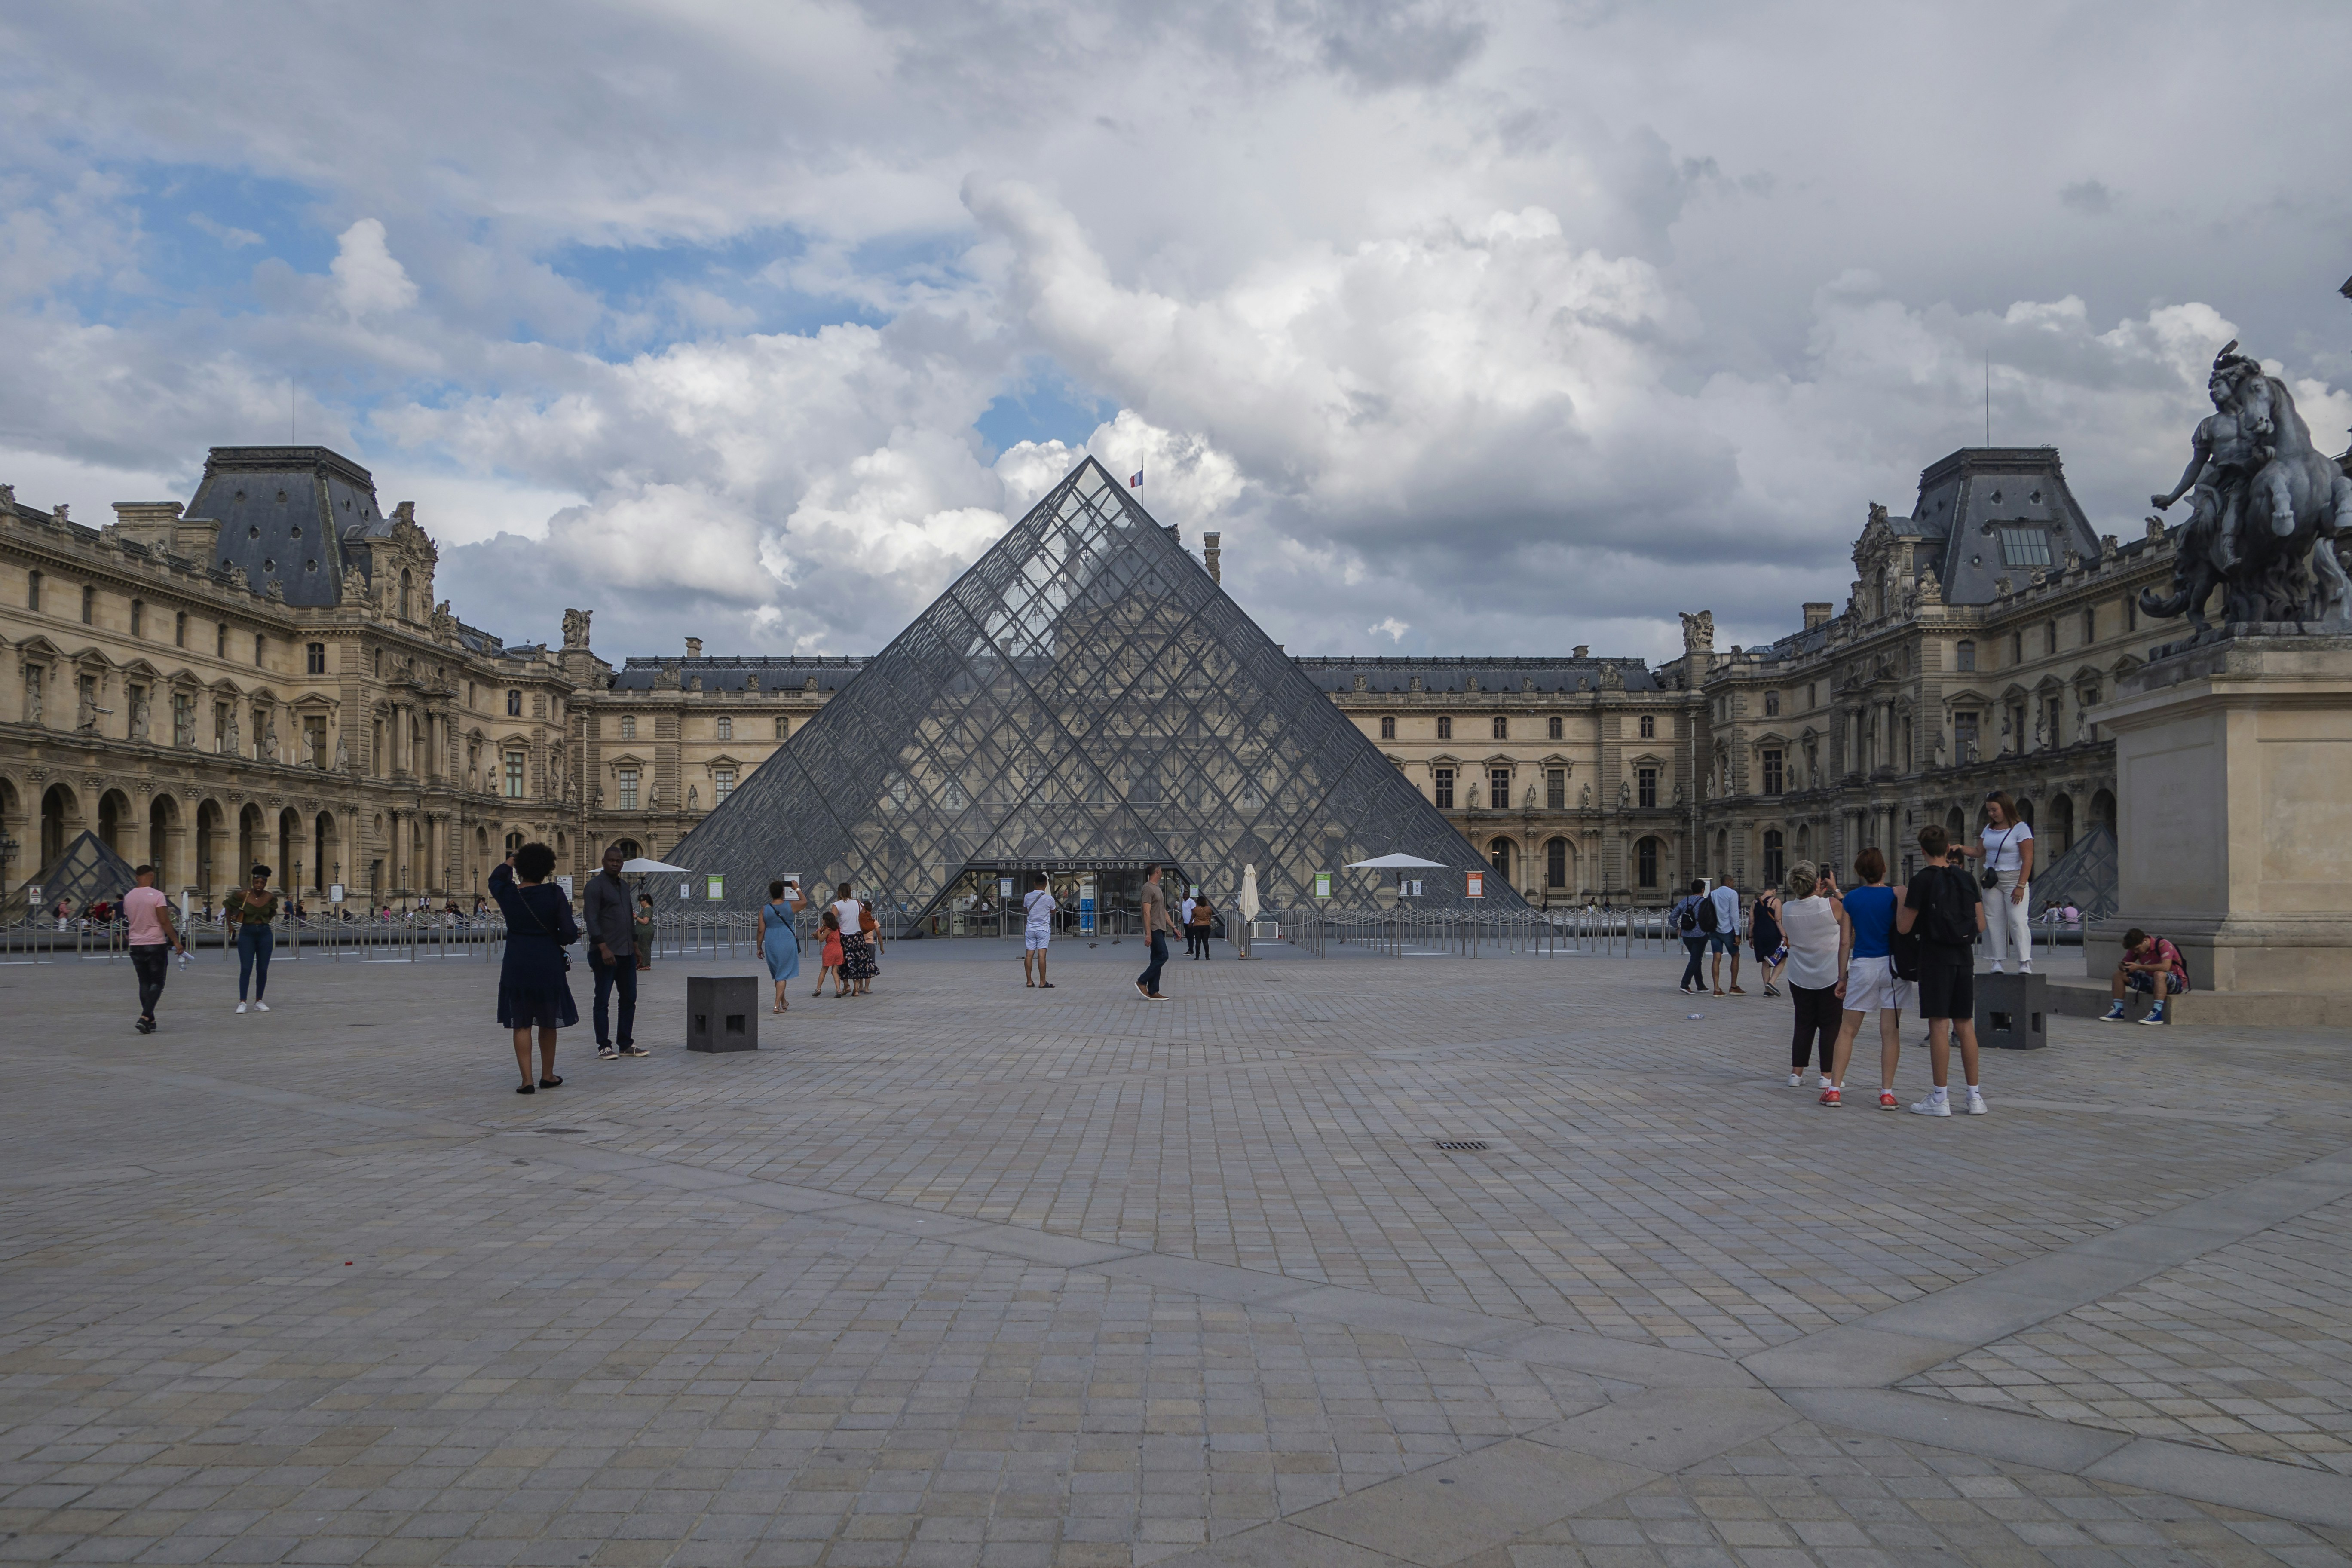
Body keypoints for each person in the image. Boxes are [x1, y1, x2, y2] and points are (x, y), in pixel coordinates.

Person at [1900, 826, 1989, 1115]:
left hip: (1935, 957)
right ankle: (1975, 1097)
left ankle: (1940, 1098)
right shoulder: (1965, 878)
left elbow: (1904, 926)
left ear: (1923, 851)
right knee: (1965, 1025)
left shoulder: (1921, 880)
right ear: (1949, 846)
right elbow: (1982, 925)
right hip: (1964, 956)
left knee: (1939, 1025)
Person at [489, 843, 580, 1093]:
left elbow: (494, 879)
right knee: (548, 1021)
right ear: (546, 869)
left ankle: (526, 1080)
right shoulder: (554, 893)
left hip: (517, 962)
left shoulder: (508, 893)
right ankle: (548, 1075)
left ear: (520, 869)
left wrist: (511, 860)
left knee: (522, 1023)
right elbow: (569, 933)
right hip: (547, 962)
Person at [1824, 848, 1908, 1108]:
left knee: (1847, 1031)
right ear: (1884, 869)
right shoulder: (1896, 895)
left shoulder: (1852, 900)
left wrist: (1842, 977)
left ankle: (1835, 1089)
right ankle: (1887, 1093)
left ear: (1859, 872)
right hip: (1893, 967)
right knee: (1890, 1033)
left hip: (1863, 966)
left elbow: (1845, 942)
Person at [1777, 862, 1844, 1092]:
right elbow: (1850, 915)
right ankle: (1827, 1076)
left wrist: (1816, 893)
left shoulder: (1786, 909)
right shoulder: (1832, 905)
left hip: (1799, 975)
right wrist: (1834, 890)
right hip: (1829, 974)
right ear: (1818, 882)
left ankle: (1796, 1073)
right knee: (1830, 1026)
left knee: (1804, 1024)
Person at [1957, 791, 2035, 974]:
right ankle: (1996, 961)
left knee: (2018, 920)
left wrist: (2021, 885)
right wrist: (1960, 848)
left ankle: (2024, 961)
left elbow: (2028, 859)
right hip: (1992, 881)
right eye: (1989, 811)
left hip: (2014, 880)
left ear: (2006, 808)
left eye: (1994, 810)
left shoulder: (2021, 829)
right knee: (1993, 920)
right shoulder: (1988, 829)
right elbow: (1978, 852)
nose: (1992, 814)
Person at [582, 844, 643, 1060]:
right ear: (603, 861)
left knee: (629, 998)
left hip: (626, 952)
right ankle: (604, 1045)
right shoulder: (594, 887)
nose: (616, 864)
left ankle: (625, 1043)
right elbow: (592, 920)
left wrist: (636, 947)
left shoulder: (625, 887)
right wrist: (604, 948)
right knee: (603, 999)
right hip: (606, 953)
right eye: (612, 861)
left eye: (619, 861)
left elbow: (629, 919)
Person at [122, 864, 185, 1035]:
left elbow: (132, 918)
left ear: (137, 877)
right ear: (151, 876)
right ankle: (144, 1017)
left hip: (136, 944)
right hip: (155, 943)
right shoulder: (157, 895)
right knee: (158, 983)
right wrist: (176, 941)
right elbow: (164, 921)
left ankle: (151, 1020)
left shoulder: (128, 897)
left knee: (144, 982)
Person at [223, 864, 280, 1014]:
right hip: (247, 933)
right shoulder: (243, 895)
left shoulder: (270, 897)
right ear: (253, 882)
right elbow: (228, 906)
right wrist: (230, 926)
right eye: (257, 883)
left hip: (265, 933)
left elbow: (273, 912)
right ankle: (243, 1002)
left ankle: (259, 1001)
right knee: (246, 968)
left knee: (262, 969)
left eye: (262, 883)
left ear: (266, 883)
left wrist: (263, 920)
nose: (259, 885)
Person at [2103, 929, 2189, 1025]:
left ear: (2145, 941)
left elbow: (2166, 967)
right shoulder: (2135, 949)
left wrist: (2138, 967)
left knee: (2159, 974)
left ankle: (2157, 1013)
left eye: (2137, 949)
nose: (2135, 952)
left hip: (2175, 981)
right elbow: (2124, 963)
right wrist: (2123, 966)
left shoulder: (2163, 944)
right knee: (2118, 974)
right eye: (2133, 950)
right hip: (2152, 980)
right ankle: (2118, 1010)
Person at [763, 878, 806, 1012]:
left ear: (770, 893)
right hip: (787, 942)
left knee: (778, 974)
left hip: (771, 943)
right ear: (783, 892)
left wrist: (759, 947)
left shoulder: (765, 909)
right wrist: (797, 889)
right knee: (782, 974)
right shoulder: (790, 906)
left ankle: (784, 1002)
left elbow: (760, 930)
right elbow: (804, 902)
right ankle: (777, 1005)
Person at [1134, 864, 1173, 1001]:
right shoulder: (1148, 888)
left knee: (1157, 959)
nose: (1162, 872)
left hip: (1161, 928)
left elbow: (1162, 910)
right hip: (1155, 928)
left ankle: (1154, 991)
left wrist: (1174, 927)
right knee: (1163, 956)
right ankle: (1142, 981)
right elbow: (1146, 912)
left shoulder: (1157, 889)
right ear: (1158, 872)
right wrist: (1148, 933)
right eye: (1161, 870)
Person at [832, 883, 876, 996]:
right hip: (858, 936)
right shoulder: (858, 903)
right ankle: (856, 990)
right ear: (850, 891)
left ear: (839, 892)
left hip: (845, 937)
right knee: (857, 962)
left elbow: (831, 921)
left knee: (843, 962)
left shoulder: (837, 905)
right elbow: (865, 916)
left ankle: (847, 986)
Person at [1709, 870, 1743, 997]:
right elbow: (1734, 914)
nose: (1734, 883)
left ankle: (1716, 988)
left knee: (1716, 958)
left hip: (1714, 930)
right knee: (1736, 955)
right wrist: (1737, 934)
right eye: (1733, 881)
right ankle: (1734, 986)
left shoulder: (1713, 894)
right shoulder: (1732, 894)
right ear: (1728, 882)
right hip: (1727, 930)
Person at [1750, 879, 1786, 999]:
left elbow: (1751, 921)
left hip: (1759, 934)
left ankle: (1767, 990)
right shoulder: (1776, 901)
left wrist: (1750, 937)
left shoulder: (1755, 902)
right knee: (1782, 958)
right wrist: (1784, 936)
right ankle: (1772, 982)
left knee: (1765, 961)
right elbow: (1778, 920)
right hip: (1773, 934)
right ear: (1774, 891)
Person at [1672, 879, 1709, 994]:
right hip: (1701, 934)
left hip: (1687, 935)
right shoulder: (1705, 902)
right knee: (1695, 959)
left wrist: (1678, 929)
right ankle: (1685, 984)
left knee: (1696, 958)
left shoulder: (1685, 901)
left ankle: (1701, 985)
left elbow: (1672, 917)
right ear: (1703, 890)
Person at [1021, 872, 1057, 988]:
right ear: (1046, 885)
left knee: (1029, 955)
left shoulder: (1027, 896)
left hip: (1031, 929)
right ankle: (1042, 982)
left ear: (1034, 883)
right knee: (1042, 956)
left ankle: (1029, 981)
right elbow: (1053, 912)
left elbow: (1026, 909)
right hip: (1043, 929)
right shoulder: (1049, 899)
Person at [815, 906, 845, 998]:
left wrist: (819, 931)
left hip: (830, 950)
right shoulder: (837, 928)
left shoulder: (828, 930)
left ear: (826, 920)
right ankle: (838, 989)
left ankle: (818, 988)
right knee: (835, 971)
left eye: (823, 920)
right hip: (839, 950)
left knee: (824, 970)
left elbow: (821, 939)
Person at [1188, 893, 1216, 960]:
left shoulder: (1196, 909)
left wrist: (1190, 923)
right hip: (1206, 926)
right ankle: (1207, 956)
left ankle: (1197, 956)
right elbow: (1210, 916)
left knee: (1198, 942)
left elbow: (1193, 917)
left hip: (1197, 926)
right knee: (1206, 942)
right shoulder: (1209, 908)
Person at [634, 893, 656, 970]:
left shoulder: (648, 909)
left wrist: (637, 917)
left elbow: (645, 922)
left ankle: (646, 964)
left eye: (641, 901)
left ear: (645, 901)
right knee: (641, 947)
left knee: (645, 948)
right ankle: (641, 964)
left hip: (646, 932)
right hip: (643, 932)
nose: (640, 903)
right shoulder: (645, 909)